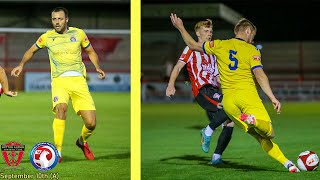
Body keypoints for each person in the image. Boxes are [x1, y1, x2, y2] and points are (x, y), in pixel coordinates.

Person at [170, 13, 300, 173]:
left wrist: (180, 27)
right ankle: (232, 125)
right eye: (253, 34)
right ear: (247, 31)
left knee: (250, 133)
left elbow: (192, 44)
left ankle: (288, 164)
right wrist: (272, 97)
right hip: (245, 97)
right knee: (269, 133)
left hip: (230, 102)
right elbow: (260, 75)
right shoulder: (252, 50)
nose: (253, 38)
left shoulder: (219, 45)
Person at [11, 7, 106, 163]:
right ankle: (58, 152)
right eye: (54, 19)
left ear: (66, 19)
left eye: (60, 19)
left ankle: (82, 141)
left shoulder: (79, 33)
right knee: (61, 109)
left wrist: (97, 67)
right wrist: (21, 65)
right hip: (59, 81)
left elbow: (91, 52)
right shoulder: (47, 37)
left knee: (91, 123)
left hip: (79, 82)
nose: (56, 22)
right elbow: (31, 51)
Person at [165, 19, 234, 165]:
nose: (209, 34)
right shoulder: (190, 49)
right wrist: (171, 85)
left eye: (210, 32)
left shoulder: (213, 52)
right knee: (230, 107)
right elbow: (178, 67)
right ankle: (207, 131)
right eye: (206, 31)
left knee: (230, 122)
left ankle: (216, 158)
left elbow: (217, 76)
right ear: (197, 33)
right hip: (202, 90)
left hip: (213, 90)